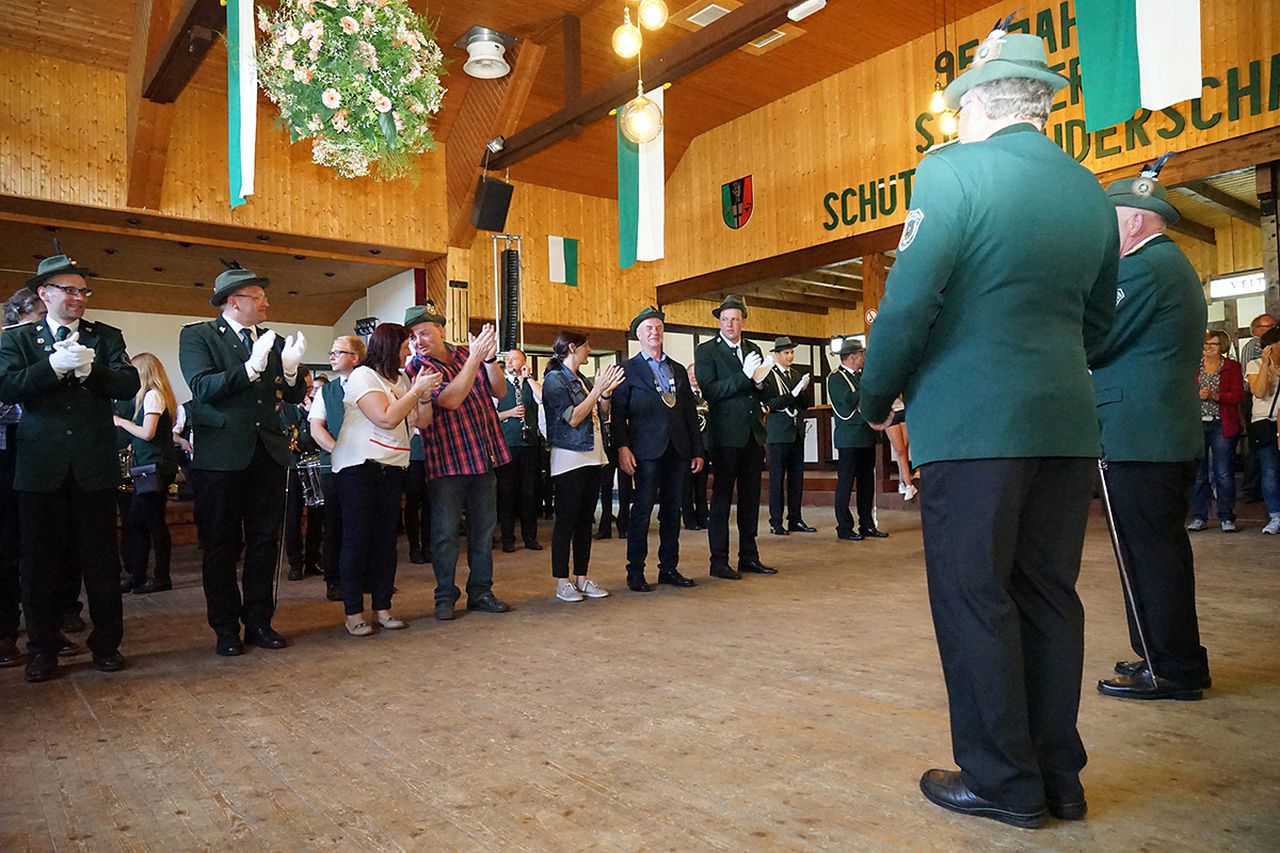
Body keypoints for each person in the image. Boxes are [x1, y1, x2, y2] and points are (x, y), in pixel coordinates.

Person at [857, 24, 1118, 828]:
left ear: (976, 106)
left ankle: (1002, 780)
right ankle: (1058, 775)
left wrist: (875, 397)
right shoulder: (1091, 191)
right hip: (1064, 425)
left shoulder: (950, 171)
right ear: (1041, 106)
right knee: (1049, 595)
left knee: (975, 597)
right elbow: (1099, 324)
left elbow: (908, 303)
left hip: (973, 426)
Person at [1089, 162, 1214, 702]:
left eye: (1109, 220)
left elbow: (1095, 341)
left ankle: (1170, 668)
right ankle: (1171, 657)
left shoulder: (1142, 270)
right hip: (1156, 431)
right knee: (1159, 550)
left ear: (1135, 221)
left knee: (1148, 554)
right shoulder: (1167, 265)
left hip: (1138, 435)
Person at [0, 249, 141, 681]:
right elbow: (6, 386)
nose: (79, 298)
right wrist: (51, 367)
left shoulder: (105, 336)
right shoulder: (19, 339)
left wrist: (90, 371)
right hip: (40, 467)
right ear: (44, 293)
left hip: (93, 465)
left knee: (101, 562)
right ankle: (42, 649)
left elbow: (128, 383)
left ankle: (107, 645)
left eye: (84, 291)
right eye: (70, 290)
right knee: (38, 564)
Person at [178, 264, 307, 657]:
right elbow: (202, 387)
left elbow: (294, 394)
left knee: (265, 542)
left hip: (266, 452)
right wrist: (249, 369)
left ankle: (259, 621)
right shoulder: (199, 335)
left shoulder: (273, 339)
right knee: (219, 544)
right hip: (220, 455)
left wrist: (290, 371)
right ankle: (225, 627)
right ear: (234, 302)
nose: (266, 302)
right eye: (258, 297)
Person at [403, 306, 512, 621]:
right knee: (445, 535)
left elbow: (500, 390)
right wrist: (476, 358)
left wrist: (488, 359)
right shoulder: (418, 366)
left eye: (424, 333)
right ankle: (445, 596)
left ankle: (481, 592)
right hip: (447, 462)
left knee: (483, 532)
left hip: (482, 455)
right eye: (413, 337)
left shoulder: (467, 352)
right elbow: (450, 399)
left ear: (440, 330)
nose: (418, 341)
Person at [331, 323, 438, 636]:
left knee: (386, 541)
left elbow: (422, 422)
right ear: (391, 347)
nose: (410, 351)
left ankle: (383, 608)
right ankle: (353, 613)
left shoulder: (402, 379)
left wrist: (424, 396)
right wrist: (415, 392)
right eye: (405, 345)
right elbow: (386, 418)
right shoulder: (363, 376)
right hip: (359, 466)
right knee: (357, 539)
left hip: (392, 467)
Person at [1, 287, 85, 669]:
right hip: (7, 455)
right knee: (8, 548)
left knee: (49, 548)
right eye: (39, 320)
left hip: (49, 457)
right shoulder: (9, 349)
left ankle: (48, 629)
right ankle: (4, 631)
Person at [613, 308, 705, 592]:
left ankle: (669, 568)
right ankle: (635, 572)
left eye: (658, 328)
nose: (655, 332)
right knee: (642, 511)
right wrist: (622, 447)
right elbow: (618, 414)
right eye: (649, 329)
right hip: (645, 452)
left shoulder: (677, 369)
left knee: (672, 511)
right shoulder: (627, 370)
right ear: (639, 335)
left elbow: (689, 413)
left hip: (678, 449)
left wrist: (697, 450)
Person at [694, 294, 777, 579]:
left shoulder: (753, 348)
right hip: (725, 437)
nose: (730, 324)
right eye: (725, 319)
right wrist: (744, 376)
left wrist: (760, 381)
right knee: (721, 499)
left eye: (735, 319)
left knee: (751, 498)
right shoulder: (706, 351)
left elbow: (765, 392)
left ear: (743, 322)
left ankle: (749, 556)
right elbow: (711, 391)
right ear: (719, 322)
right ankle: (718, 561)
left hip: (752, 435)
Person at [541, 330, 624, 601]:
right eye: (586, 345)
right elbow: (574, 418)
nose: (589, 350)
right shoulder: (555, 379)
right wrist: (597, 390)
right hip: (569, 459)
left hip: (593, 455)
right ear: (572, 347)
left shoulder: (582, 379)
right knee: (566, 522)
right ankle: (562, 581)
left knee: (585, 521)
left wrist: (605, 394)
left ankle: (581, 577)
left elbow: (601, 413)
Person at [112, 352, 180, 594]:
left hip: (154, 468)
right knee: (141, 522)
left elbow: (148, 433)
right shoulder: (157, 396)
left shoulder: (153, 396)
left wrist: (122, 422)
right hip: (151, 466)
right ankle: (139, 574)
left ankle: (160, 576)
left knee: (151, 523)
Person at [309, 335, 366, 602]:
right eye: (331, 352)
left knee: (365, 525)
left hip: (367, 466)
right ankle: (334, 580)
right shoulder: (326, 391)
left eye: (338, 352)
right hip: (333, 468)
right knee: (335, 526)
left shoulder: (370, 385)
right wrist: (339, 450)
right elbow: (316, 427)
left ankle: (364, 577)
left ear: (355, 357)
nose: (331, 357)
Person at [828, 339, 885, 541]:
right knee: (845, 483)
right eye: (861, 355)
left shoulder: (861, 377)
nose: (864, 358)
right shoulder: (835, 378)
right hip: (849, 437)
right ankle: (844, 527)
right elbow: (846, 403)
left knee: (867, 483)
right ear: (852, 357)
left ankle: (867, 523)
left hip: (866, 435)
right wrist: (866, 390)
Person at [1187, 329, 1244, 532]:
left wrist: (1215, 395)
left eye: (1212, 344)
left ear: (1222, 347)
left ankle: (1226, 517)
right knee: (1199, 474)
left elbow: (1237, 395)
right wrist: (1196, 395)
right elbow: (1182, 393)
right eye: (1205, 344)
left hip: (1222, 423)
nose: (1207, 348)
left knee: (1223, 472)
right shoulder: (1193, 367)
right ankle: (1199, 516)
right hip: (1197, 423)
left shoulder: (1231, 367)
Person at [765, 336, 816, 535]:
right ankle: (776, 521)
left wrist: (803, 390)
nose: (790, 356)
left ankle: (795, 519)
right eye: (786, 353)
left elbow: (805, 405)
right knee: (777, 480)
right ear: (777, 354)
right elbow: (772, 404)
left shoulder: (796, 374)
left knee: (796, 479)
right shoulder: (770, 375)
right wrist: (793, 393)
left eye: (792, 352)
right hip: (778, 434)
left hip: (795, 432)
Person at [494, 348, 543, 553]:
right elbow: (490, 415)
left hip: (529, 444)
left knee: (529, 493)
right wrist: (511, 413)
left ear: (524, 362)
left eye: (515, 359)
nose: (510, 362)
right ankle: (508, 538)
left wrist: (529, 378)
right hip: (507, 445)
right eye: (508, 359)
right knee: (507, 493)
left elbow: (543, 398)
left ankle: (530, 537)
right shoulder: (498, 385)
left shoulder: (529, 384)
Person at [281, 368, 323, 581]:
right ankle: (295, 562)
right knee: (292, 515)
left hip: (314, 462)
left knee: (317, 513)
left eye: (309, 387)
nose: (308, 391)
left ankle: (313, 559)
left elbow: (323, 429)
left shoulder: (315, 404)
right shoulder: (282, 405)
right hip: (291, 465)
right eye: (304, 387)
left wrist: (310, 412)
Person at [1245, 328, 1280, 535]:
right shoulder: (1255, 365)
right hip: (1264, 422)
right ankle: (1275, 515)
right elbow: (1258, 391)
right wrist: (1267, 364)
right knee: (1270, 470)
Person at [682, 364, 711, 530]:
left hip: (705, 446)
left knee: (702, 485)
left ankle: (703, 516)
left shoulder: (707, 395)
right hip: (688, 446)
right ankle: (689, 519)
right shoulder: (684, 395)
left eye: (696, 373)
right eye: (690, 374)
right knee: (687, 486)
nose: (693, 377)